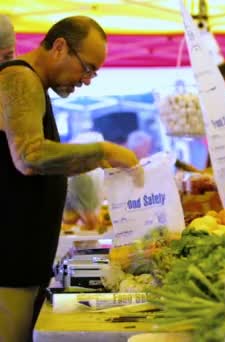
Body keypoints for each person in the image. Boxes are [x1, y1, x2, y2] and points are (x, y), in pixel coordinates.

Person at [0, 16, 139, 341]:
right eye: (87, 68)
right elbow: (29, 155)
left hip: (23, 265)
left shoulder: (31, 82)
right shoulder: (19, 77)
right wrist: (102, 152)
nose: (87, 80)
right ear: (60, 46)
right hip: (8, 268)